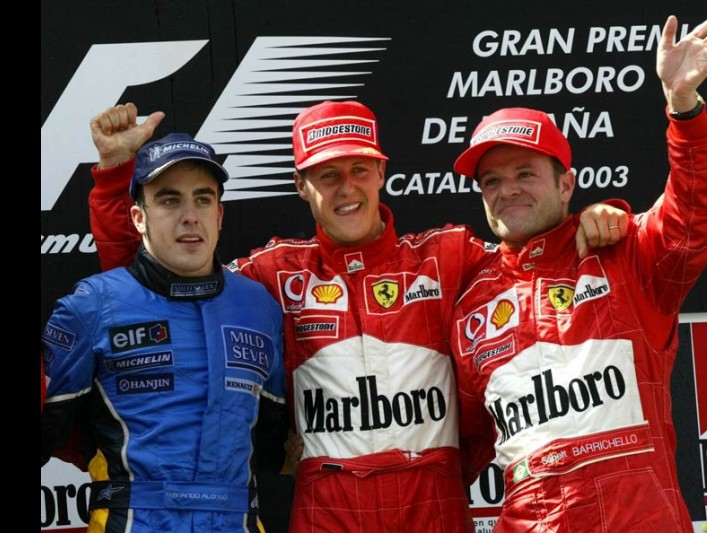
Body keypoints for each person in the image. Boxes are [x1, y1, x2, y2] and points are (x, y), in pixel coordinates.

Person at [83, 100, 627, 531]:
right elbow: (158, 287)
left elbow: (532, 258)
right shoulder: (272, 273)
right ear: (301, 187)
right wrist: (113, 177)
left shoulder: (448, 255)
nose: (347, 188)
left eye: (359, 169)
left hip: (432, 502)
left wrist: (597, 219)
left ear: (382, 172)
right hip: (329, 506)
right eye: (328, 175)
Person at [448, 11, 707, 532]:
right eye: (490, 180)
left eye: (525, 173)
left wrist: (683, 108)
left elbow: (701, 205)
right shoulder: (469, 301)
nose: (506, 189)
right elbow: (460, 445)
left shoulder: (627, 255)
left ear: (565, 184)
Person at [41, 133, 289, 532]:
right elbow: (51, 431)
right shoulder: (91, 306)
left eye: (203, 199)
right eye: (170, 200)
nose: (189, 216)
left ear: (219, 215)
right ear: (139, 217)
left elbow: (272, 441)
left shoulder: (258, 306)